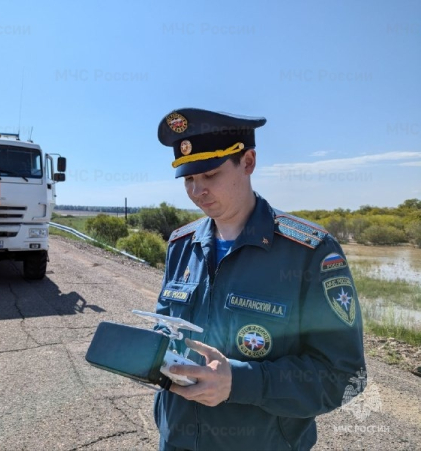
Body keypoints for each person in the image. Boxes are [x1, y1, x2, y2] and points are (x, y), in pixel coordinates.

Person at [154, 108, 366, 451]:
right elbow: (165, 331)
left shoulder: (310, 252)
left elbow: (345, 377)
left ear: (248, 161)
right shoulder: (182, 245)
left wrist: (239, 382)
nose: (198, 191)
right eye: (189, 179)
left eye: (210, 174)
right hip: (176, 440)